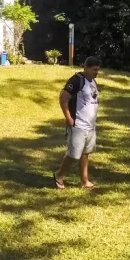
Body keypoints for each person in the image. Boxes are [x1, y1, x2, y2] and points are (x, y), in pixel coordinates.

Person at [54, 56, 101, 190]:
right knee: (74, 154)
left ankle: (84, 181)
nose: (96, 73)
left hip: (90, 126)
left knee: (85, 153)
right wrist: (69, 118)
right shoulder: (76, 80)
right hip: (78, 125)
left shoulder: (93, 81)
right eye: (94, 70)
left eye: (98, 70)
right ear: (85, 68)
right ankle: (59, 176)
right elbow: (63, 98)